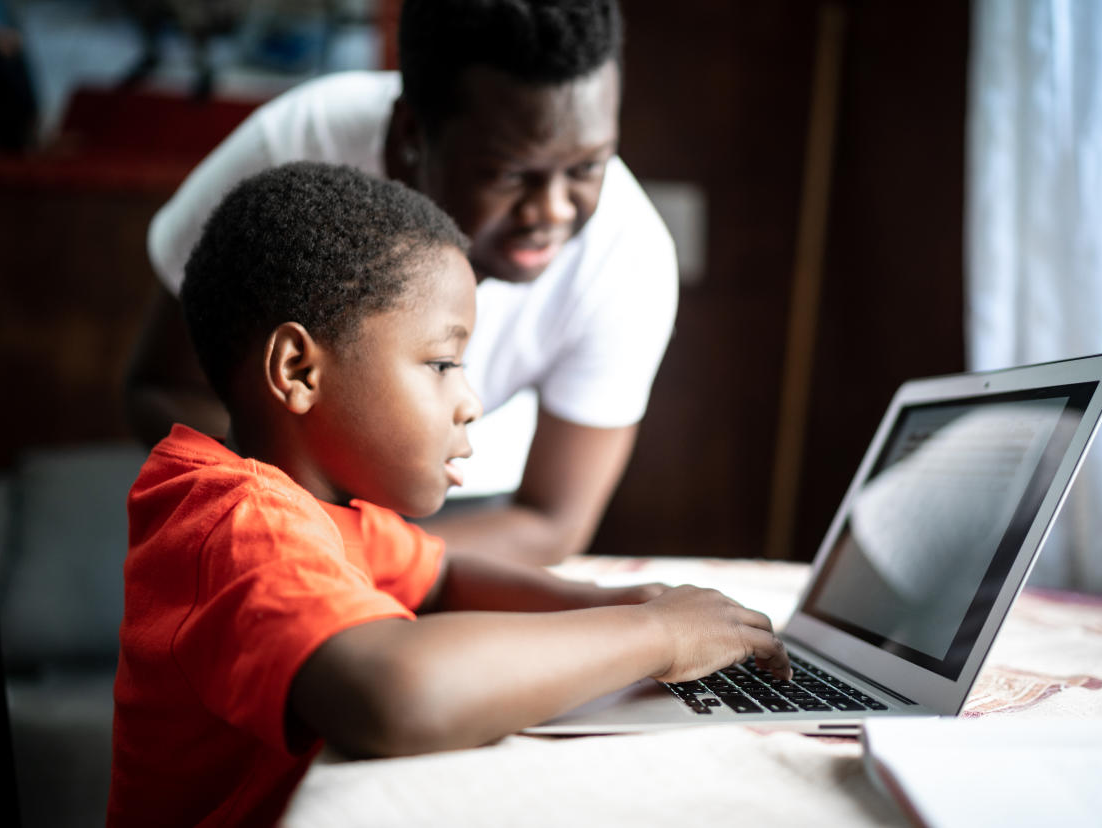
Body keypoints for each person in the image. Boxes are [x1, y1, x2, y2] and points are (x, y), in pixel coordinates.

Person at [106, 162, 785, 828]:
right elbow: (397, 694)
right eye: (440, 364)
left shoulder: (333, 512)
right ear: (298, 369)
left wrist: (620, 603)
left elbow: (442, 578)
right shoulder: (239, 521)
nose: (471, 402)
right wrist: (654, 636)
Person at [124, 0, 677, 565]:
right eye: (510, 173)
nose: (553, 211)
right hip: (262, 492)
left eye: (589, 167)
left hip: (476, 518)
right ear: (412, 131)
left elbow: (551, 522)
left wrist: (360, 548)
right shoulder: (287, 152)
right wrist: (294, 521)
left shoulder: (628, 258)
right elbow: (163, 388)